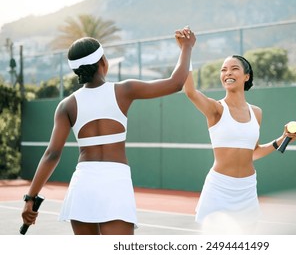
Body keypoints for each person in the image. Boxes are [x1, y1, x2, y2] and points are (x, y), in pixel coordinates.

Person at [21, 26, 196, 235]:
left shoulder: (67, 105)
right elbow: (176, 83)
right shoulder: (124, 90)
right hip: (115, 183)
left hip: (83, 185)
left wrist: (30, 199)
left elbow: (52, 154)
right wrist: (186, 47)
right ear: (103, 62)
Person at [183, 55, 296, 234]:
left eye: (234, 68)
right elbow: (190, 91)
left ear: (246, 76)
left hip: (247, 190)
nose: (228, 73)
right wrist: (187, 49)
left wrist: (283, 138)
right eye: (224, 70)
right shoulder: (216, 109)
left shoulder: (256, 113)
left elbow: (253, 153)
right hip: (219, 189)